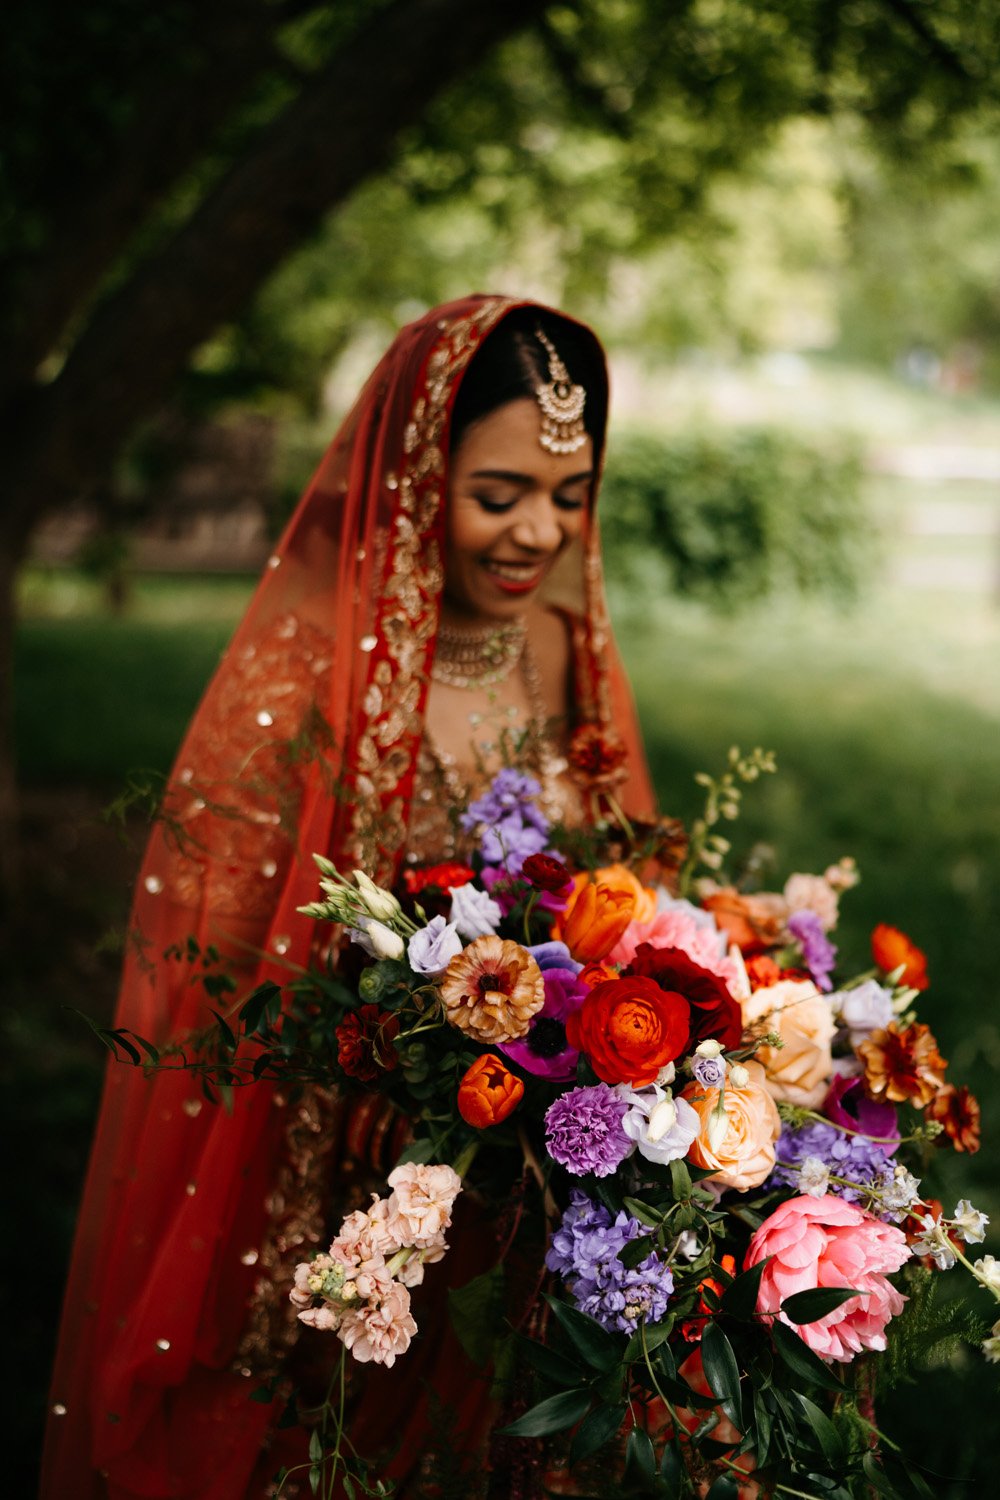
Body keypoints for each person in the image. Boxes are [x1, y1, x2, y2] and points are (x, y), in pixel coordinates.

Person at [42, 295, 656, 1498]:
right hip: (345, 1164)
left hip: (532, 1153)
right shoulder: (313, 668)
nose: (539, 532)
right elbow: (214, 960)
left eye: (568, 497)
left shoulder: (557, 649)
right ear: (421, 480)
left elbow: (620, 873)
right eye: (499, 495)